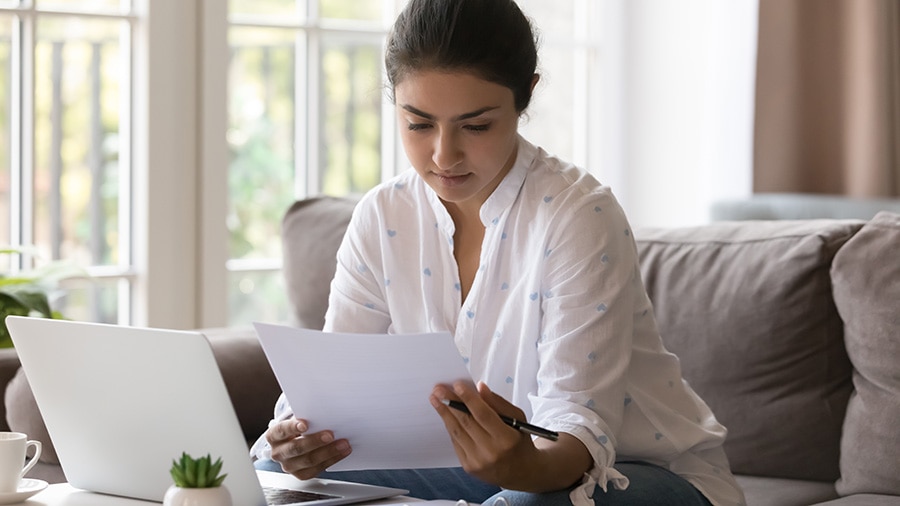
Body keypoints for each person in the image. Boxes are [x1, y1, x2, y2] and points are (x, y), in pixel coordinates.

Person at [251, 1, 746, 505]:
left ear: (525, 95)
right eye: (419, 124)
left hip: (635, 469)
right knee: (274, 476)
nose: (444, 155)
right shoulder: (382, 216)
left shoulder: (577, 214)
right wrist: (304, 440)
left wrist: (519, 465)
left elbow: (578, 426)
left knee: (518, 503)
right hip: (469, 468)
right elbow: (339, 391)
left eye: (477, 126)